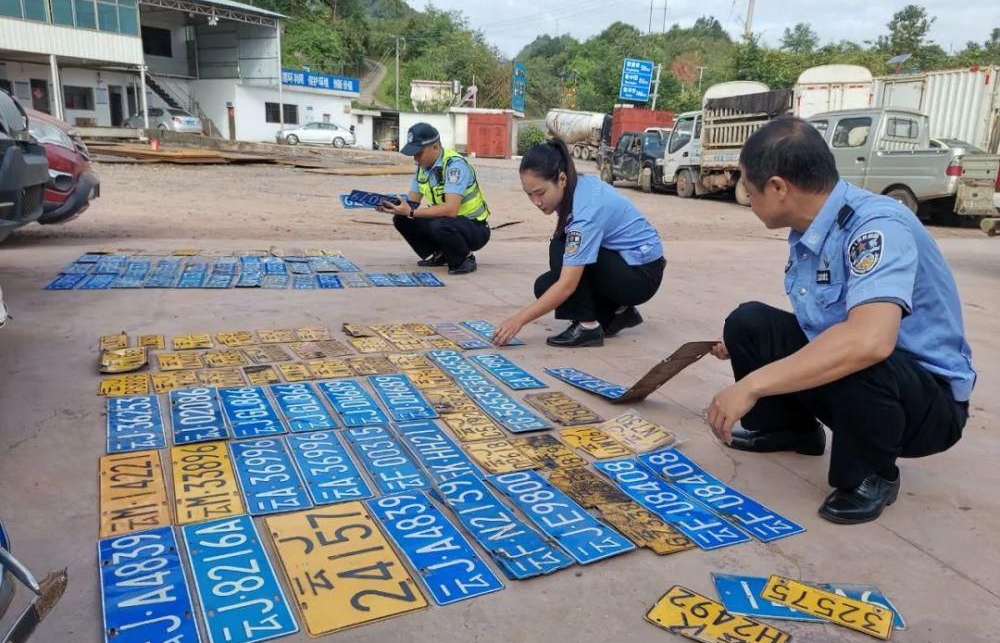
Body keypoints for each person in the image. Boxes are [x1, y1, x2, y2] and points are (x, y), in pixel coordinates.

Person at [707, 117, 975, 524]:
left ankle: (872, 474)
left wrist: (752, 384)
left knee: (859, 354)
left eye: (747, 185)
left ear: (778, 187)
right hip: (874, 379)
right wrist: (757, 351)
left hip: (924, 404)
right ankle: (790, 430)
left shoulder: (876, 228)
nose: (744, 196)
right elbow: (823, 322)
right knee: (749, 323)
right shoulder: (815, 227)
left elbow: (869, 342)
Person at [493, 138, 665, 348]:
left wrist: (518, 321)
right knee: (546, 283)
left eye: (540, 193)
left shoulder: (585, 214)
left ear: (561, 179)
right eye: (529, 195)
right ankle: (616, 314)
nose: (536, 202)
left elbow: (567, 285)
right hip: (627, 265)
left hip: (641, 276)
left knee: (560, 250)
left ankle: (587, 327)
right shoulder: (579, 185)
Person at [379, 122, 490, 275]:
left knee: (439, 224)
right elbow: (412, 203)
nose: (415, 159)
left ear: (435, 147)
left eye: (418, 153)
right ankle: (440, 253)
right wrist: (393, 206)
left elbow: (450, 210)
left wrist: (410, 212)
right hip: (448, 222)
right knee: (402, 219)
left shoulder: (454, 166)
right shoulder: (423, 169)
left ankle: (465, 258)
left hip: (475, 228)